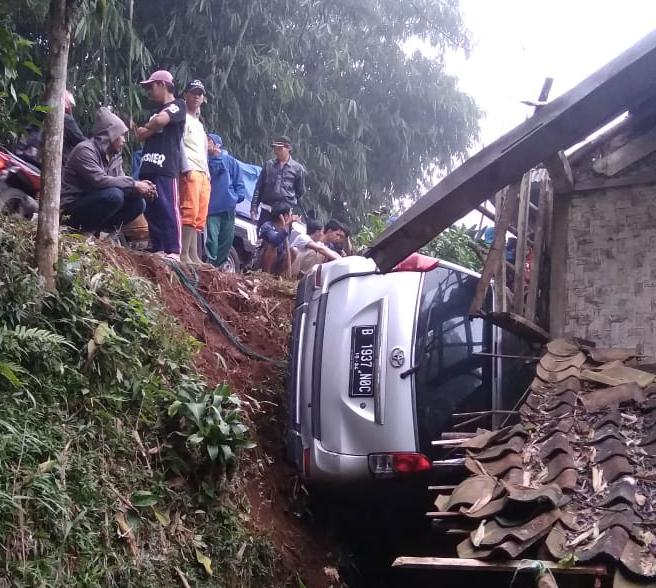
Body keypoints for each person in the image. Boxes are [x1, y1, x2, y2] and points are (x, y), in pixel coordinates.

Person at [61, 107, 155, 234]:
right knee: (114, 195)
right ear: (110, 134)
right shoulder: (84, 150)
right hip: (72, 208)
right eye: (121, 135)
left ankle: (105, 232)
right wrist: (135, 184)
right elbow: (100, 181)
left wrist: (140, 190)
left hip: (95, 202)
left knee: (138, 203)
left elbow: (120, 182)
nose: (124, 140)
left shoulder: (114, 156)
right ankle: (85, 231)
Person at [134, 70, 187, 260]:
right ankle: (158, 247)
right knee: (152, 209)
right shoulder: (154, 111)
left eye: (151, 86)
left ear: (162, 85)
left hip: (166, 166)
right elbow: (140, 134)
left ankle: (173, 250)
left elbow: (159, 121)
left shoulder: (178, 105)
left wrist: (152, 126)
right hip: (148, 165)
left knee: (167, 207)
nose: (149, 91)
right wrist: (153, 126)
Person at [179, 79, 211, 264]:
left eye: (199, 94)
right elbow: (180, 144)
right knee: (189, 210)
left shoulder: (199, 124)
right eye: (193, 93)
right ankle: (184, 253)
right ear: (186, 95)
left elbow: (204, 150)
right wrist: (186, 167)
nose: (197, 96)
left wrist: (207, 172)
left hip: (202, 171)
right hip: (190, 168)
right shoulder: (182, 118)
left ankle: (193, 254)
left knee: (200, 214)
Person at [205, 133, 246, 268]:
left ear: (218, 144)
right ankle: (211, 263)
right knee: (212, 238)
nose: (206, 143)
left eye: (209, 140)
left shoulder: (230, 161)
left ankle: (220, 265)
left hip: (228, 205)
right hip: (212, 206)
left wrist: (237, 197)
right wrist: (216, 158)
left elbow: (239, 183)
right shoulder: (204, 160)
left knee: (227, 239)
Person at [250, 135, 305, 228]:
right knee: (263, 237)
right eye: (275, 149)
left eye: (280, 149)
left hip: (284, 212)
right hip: (267, 209)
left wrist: (288, 202)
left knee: (281, 238)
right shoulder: (268, 165)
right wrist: (254, 207)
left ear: (288, 148)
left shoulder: (298, 169)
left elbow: (299, 191)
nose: (276, 151)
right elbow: (259, 187)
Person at [258, 202, 295, 276]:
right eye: (290, 214)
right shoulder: (267, 226)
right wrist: (286, 227)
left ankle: (277, 276)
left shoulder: (288, 228)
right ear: (285, 216)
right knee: (273, 247)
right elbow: (275, 241)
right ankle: (266, 275)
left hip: (278, 259)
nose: (292, 216)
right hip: (262, 260)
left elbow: (286, 248)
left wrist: (287, 227)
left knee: (294, 251)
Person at [63, 90, 85, 164]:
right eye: (71, 105)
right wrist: (93, 144)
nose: (71, 107)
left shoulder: (46, 113)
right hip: (60, 159)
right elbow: (78, 138)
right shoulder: (66, 118)